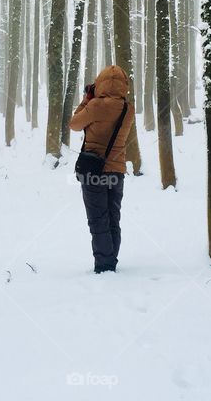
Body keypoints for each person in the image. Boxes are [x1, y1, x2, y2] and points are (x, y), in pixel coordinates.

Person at [69, 65, 135, 273]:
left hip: (94, 172)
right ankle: (111, 259)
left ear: (100, 83)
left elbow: (74, 123)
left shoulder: (96, 105)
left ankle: (105, 266)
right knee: (113, 217)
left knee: (98, 219)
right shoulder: (128, 108)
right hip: (117, 171)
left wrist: (87, 98)